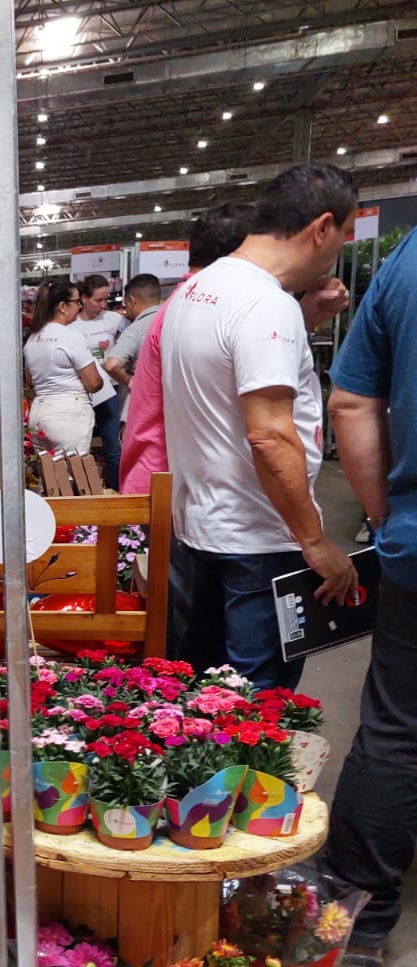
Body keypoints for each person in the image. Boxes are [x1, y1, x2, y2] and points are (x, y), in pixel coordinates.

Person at [161, 163, 360, 689]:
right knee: (257, 704)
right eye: (343, 236)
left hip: (201, 530)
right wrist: (315, 541)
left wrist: (301, 316)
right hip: (259, 541)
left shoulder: (196, 290)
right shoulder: (264, 304)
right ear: (321, 228)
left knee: (204, 701)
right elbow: (269, 435)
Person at [316, 228, 417, 967]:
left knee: (396, 727)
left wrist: (384, 518)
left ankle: (360, 918)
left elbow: (351, 399)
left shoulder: (408, 262)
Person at [121, 204, 347, 495]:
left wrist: (300, 317)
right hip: (179, 488)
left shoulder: (187, 303)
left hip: (172, 482)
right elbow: (267, 433)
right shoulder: (212, 306)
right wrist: (311, 535)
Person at [23, 278, 104, 458]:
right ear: (62, 306)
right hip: (68, 412)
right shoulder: (70, 336)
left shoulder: (33, 338)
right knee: (73, 476)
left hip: (39, 412)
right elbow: (93, 383)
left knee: (48, 475)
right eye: (77, 302)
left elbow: (30, 380)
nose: (80, 307)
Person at [75, 273, 128, 487]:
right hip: (82, 393)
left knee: (113, 447)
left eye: (106, 299)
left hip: (109, 391)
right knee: (80, 447)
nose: (104, 305)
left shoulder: (113, 320)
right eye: (98, 300)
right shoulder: (72, 325)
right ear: (84, 298)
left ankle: (116, 491)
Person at [103, 274, 163, 418]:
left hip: (138, 410)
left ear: (132, 300)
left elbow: (112, 365)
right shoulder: (174, 320)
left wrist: (129, 380)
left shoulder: (135, 329)